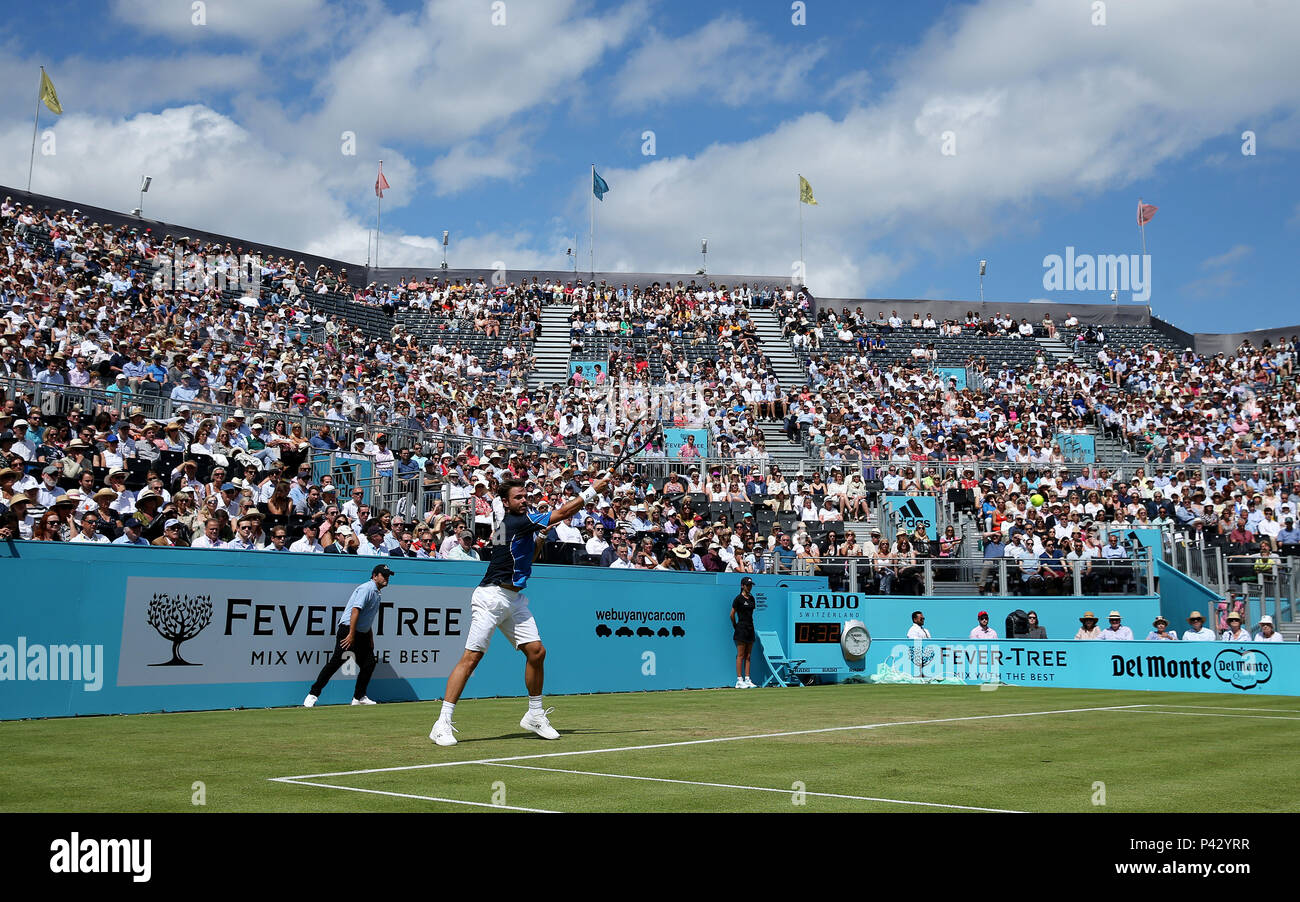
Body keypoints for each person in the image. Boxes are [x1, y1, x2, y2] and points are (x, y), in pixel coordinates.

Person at [430, 470, 611, 747]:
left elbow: (523, 560)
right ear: (505, 501)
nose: (524, 500)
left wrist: (537, 542)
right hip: (491, 598)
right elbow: (563, 512)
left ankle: (535, 715)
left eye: (526, 496)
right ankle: (441, 723)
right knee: (471, 658)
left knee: (537, 652)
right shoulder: (515, 521)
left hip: (513, 599)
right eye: (518, 497)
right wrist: (593, 490)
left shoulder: (508, 526)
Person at [303, 564, 392, 707]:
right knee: (336, 662)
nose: (387, 578)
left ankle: (358, 697)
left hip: (362, 634)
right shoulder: (367, 588)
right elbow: (355, 611)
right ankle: (313, 694)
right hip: (348, 630)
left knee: (369, 664)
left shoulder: (377, 592)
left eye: (388, 575)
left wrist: (370, 638)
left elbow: (367, 618)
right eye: (384, 575)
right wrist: (351, 634)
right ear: (375, 576)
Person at [731, 577, 756, 688]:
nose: (749, 587)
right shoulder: (738, 599)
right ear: (742, 586)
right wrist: (736, 626)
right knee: (740, 655)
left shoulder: (752, 599)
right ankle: (739, 680)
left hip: (750, 628)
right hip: (741, 628)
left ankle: (747, 679)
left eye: (750, 585)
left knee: (748, 655)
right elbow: (732, 615)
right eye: (747, 585)